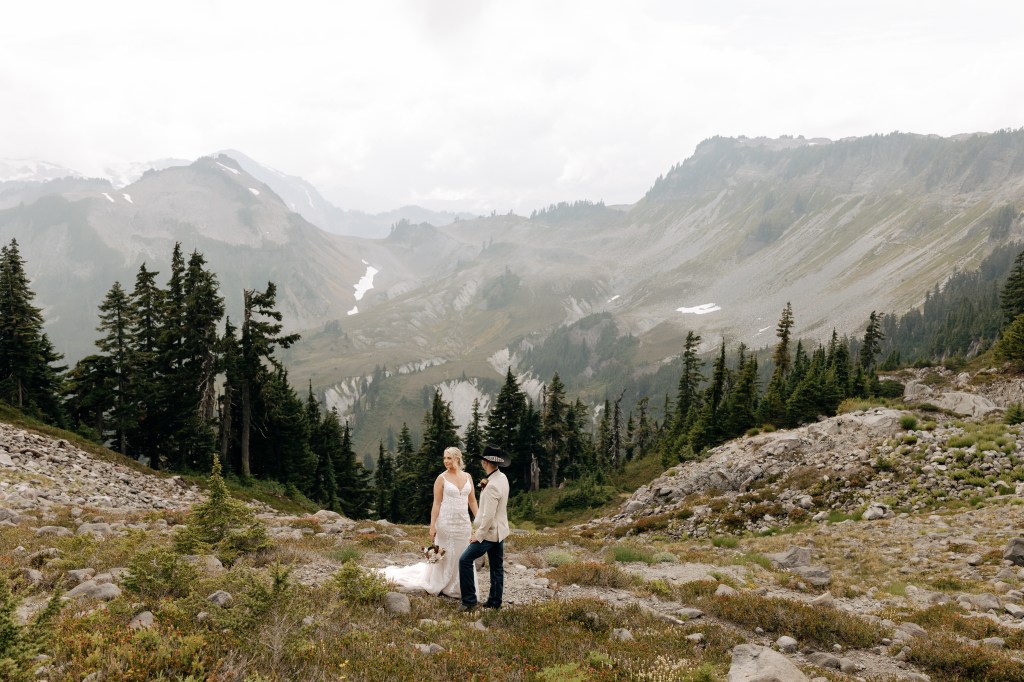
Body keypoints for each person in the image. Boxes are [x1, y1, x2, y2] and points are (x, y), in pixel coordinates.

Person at [381, 446, 478, 598]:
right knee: (445, 554)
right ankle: (440, 583)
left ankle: (460, 585)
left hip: (464, 524)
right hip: (446, 523)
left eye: (449, 458)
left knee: (463, 554)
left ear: (457, 459)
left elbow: (472, 501)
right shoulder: (442, 478)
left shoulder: (468, 477)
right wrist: (432, 526)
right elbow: (436, 503)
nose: (446, 461)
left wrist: (478, 523)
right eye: (444, 458)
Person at [459, 444, 510, 611]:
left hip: (489, 533)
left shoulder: (491, 486)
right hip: (500, 531)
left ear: (486, 462)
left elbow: (488, 516)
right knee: (496, 567)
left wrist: (478, 535)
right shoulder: (502, 478)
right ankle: (495, 602)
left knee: (464, 560)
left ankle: (469, 602)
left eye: (483, 460)